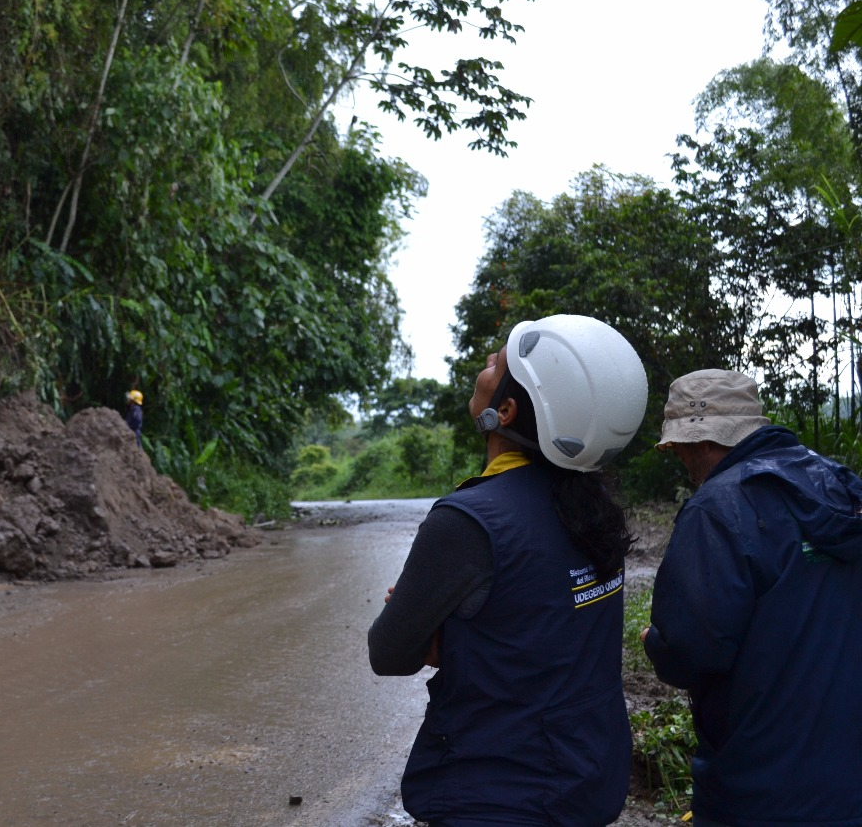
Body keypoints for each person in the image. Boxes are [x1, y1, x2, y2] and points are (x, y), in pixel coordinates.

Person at [369, 313, 648, 827]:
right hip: (588, 779)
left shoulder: (467, 521)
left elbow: (388, 653)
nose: (489, 360)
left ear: (507, 410)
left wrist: (446, 639)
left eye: (499, 362)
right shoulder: (594, 512)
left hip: (497, 796)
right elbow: (549, 629)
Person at [640, 369, 862, 827]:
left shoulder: (718, 509)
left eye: (680, 450)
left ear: (702, 441)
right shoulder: (842, 486)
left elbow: (689, 652)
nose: (681, 461)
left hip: (757, 789)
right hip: (847, 781)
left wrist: (653, 642)